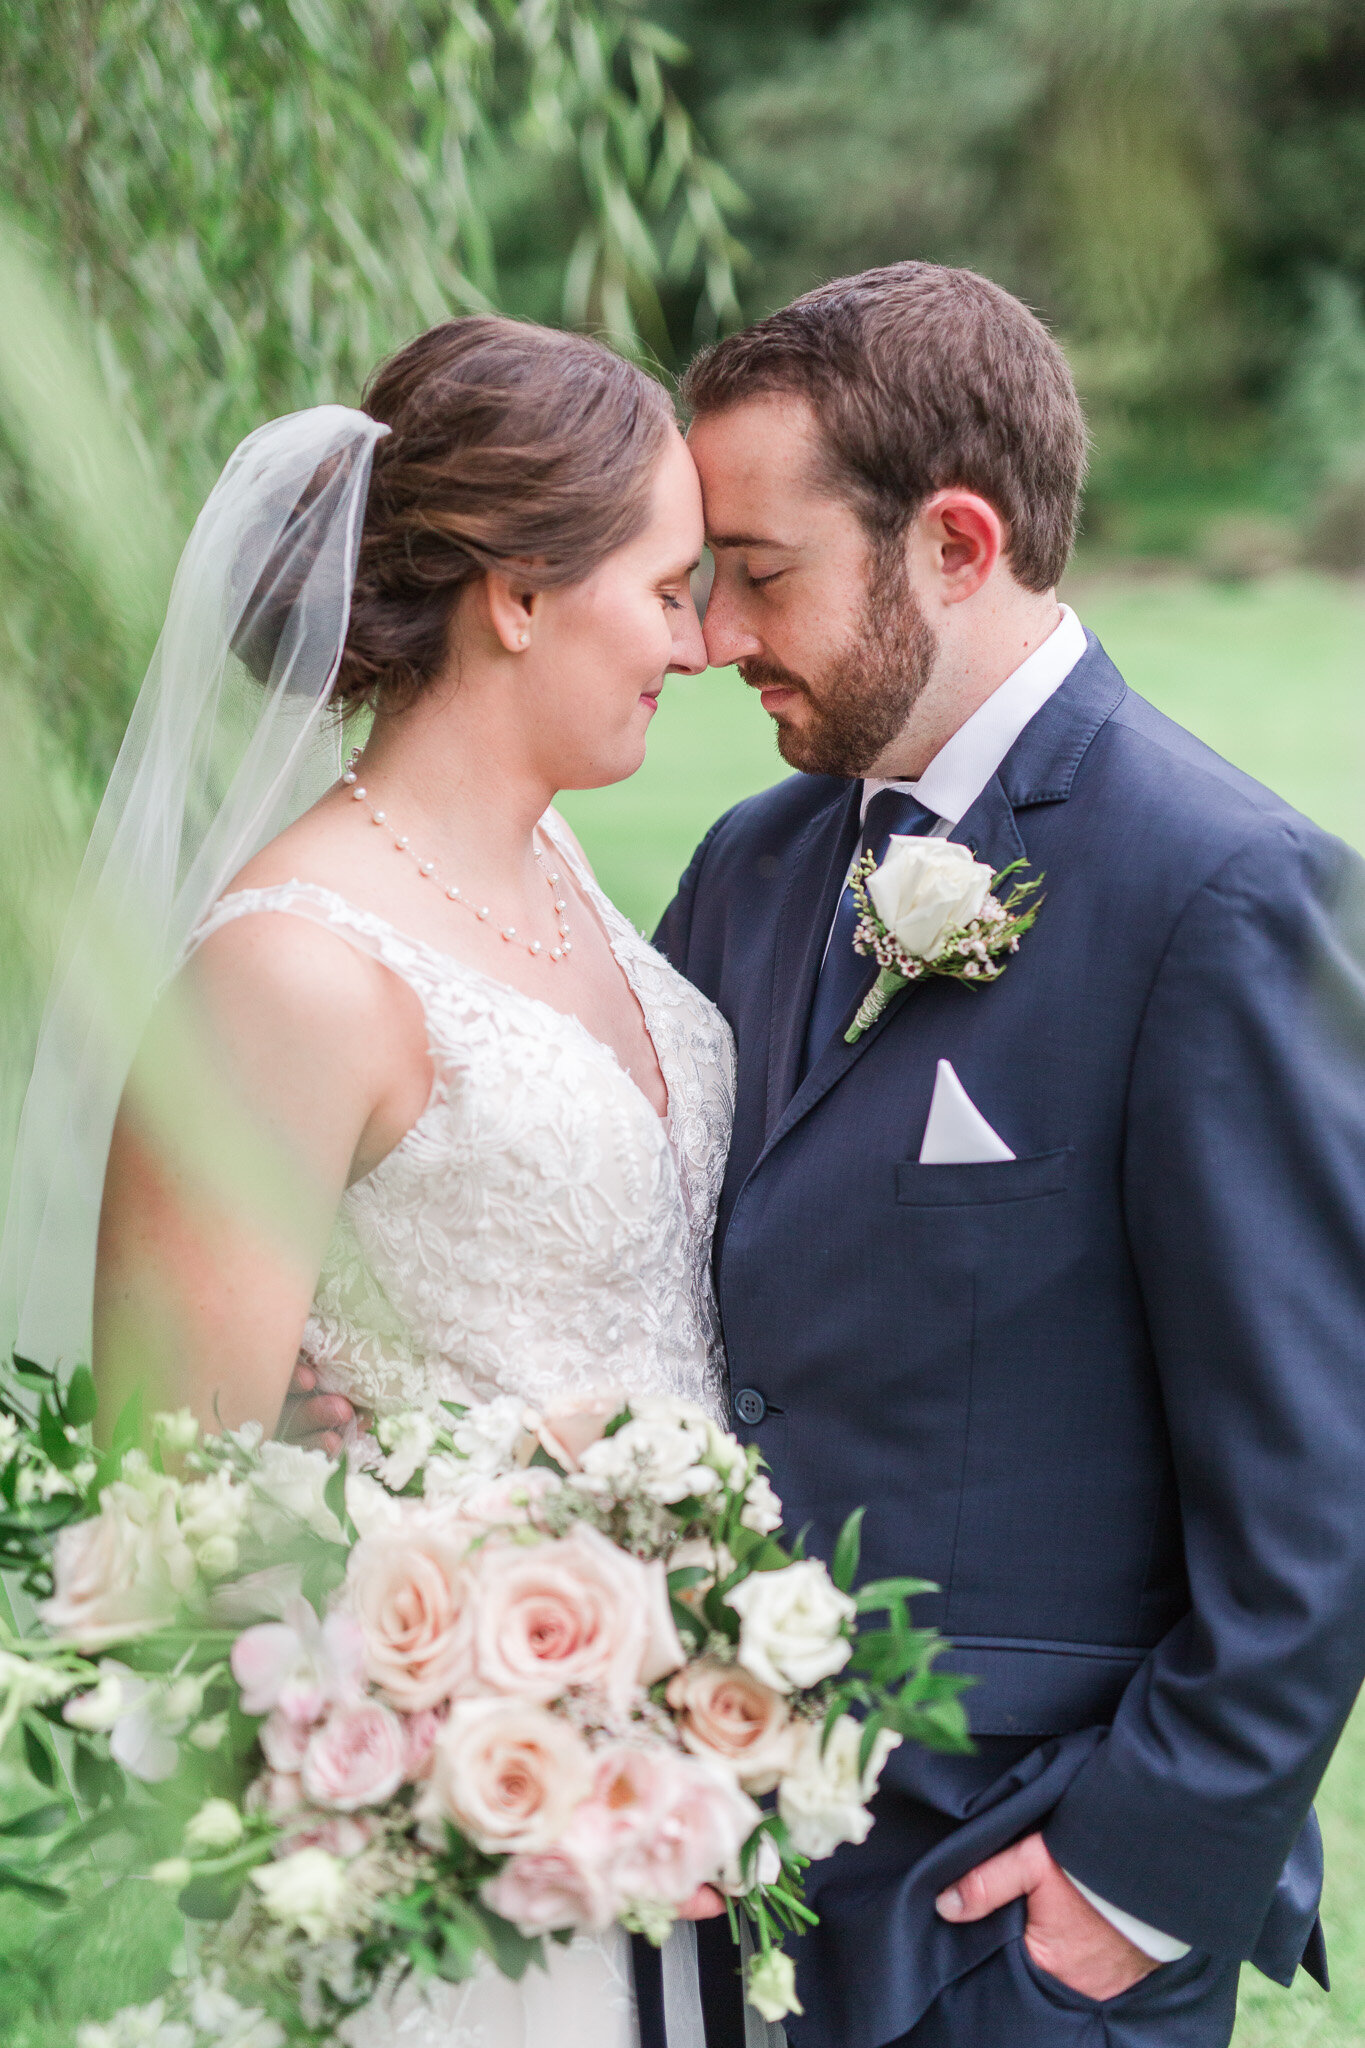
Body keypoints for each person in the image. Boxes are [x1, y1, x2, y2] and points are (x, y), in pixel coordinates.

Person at [646, 260, 1365, 2048]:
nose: (713, 636)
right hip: (717, 1874)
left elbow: (1322, 1463)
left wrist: (1128, 1882)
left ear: (953, 543)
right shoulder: (746, 864)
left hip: (1015, 1910)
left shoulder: (1220, 890)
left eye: (759, 571)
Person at [5, 315, 735, 2048]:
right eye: (669, 587)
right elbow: (157, 1503)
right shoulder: (291, 973)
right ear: (521, 596)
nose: (699, 646)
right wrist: (513, 1682)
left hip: (672, 1800)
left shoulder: (553, 863)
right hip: (455, 1836)